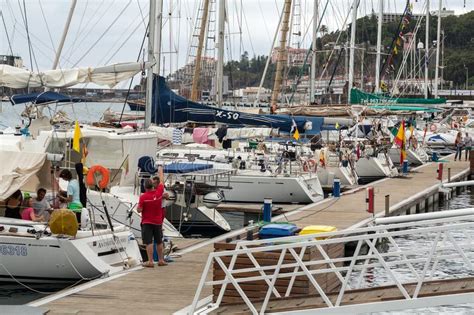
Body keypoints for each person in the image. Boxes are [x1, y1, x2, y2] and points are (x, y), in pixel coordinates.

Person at [138, 178, 167, 267]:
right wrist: (160, 168)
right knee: (159, 241)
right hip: (157, 222)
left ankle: (150, 261)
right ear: (153, 185)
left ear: (145, 187)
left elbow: (139, 210)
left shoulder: (143, 197)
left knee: (149, 242)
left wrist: (140, 208)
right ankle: (161, 260)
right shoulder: (158, 193)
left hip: (147, 222)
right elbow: (161, 181)